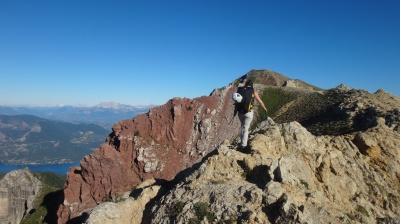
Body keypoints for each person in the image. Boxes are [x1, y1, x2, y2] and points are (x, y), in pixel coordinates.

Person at [235, 80, 268, 150]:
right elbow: (260, 101)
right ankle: (243, 145)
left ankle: (242, 143)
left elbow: (236, 100)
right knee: (246, 128)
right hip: (249, 113)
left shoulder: (241, 90)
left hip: (240, 113)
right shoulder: (253, 91)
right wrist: (264, 108)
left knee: (243, 127)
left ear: (246, 84)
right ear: (252, 85)